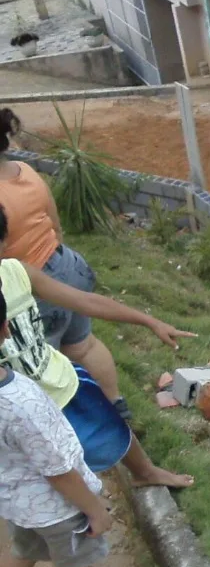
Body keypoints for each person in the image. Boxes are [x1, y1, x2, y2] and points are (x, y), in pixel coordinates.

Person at [0, 204, 195, 489]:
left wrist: (150, 321)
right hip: (20, 406)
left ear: (5, 240)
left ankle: (145, 473)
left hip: (60, 379)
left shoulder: (17, 272)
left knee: (111, 427)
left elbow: (85, 301)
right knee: (49, 471)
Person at [0, 284, 135, 567]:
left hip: (16, 500)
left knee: (21, 552)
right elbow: (57, 470)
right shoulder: (20, 400)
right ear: (5, 329)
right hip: (58, 507)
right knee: (75, 564)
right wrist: (94, 509)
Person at [0, 107, 133, 421]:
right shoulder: (24, 170)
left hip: (34, 287)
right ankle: (115, 404)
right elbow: (55, 225)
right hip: (67, 264)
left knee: (45, 363)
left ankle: (75, 427)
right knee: (83, 344)